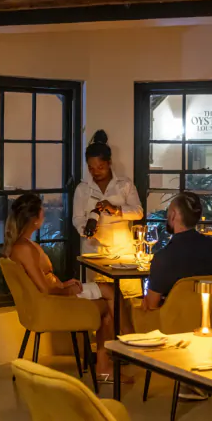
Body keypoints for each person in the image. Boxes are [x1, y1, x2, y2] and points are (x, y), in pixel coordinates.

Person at [3, 194, 128, 382]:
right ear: (35, 220)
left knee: (110, 292)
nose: (44, 216)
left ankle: (111, 359)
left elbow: (44, 282)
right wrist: (67, 291)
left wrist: (64, 284)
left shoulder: (25, 245)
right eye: (42, 213)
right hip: (53, 303)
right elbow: (44, 290)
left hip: (56, 295)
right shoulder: (24, 249)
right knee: (108, 301)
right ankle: (129, 347)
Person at [141, 191, 212, 401]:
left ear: (172, 215)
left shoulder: (165, 257)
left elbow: (152, 304)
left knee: (137, 306)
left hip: (175, 326)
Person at [73, 130, 144, 328]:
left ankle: (128, 343)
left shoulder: (124, 185)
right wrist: (85, 228)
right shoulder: (82, 189)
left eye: (100, 167)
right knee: (101, 304)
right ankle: (103, 350)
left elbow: (138, 212)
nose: (96, 172)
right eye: (92, 168)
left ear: (109, 163)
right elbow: (77, 217)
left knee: (126, 299)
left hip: (123, 253)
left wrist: (117, 210)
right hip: (94, 252)